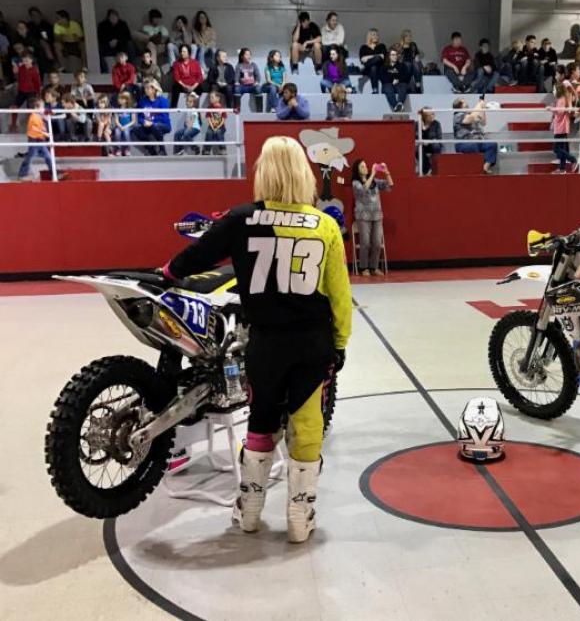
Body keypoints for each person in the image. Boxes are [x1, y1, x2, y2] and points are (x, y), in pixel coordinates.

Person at [163, 135, 352, 544]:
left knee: (261, 421)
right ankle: (301, 517)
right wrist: (340, 344)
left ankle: (249, 512)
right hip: (312, 342)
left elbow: (192, 259)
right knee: (307, 424)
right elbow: (339, 294)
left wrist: (168, 270)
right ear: (303, 173)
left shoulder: (240, 218)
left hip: (264, 344)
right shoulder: (325, 225)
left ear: (263, 171)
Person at [352, 159, 393, 276]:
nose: (365, 168)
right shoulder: (356, 183)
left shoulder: (375, 181)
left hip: (377, 216)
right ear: (357, 170)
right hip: (363, 217)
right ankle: (364, 268)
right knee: (365, 242)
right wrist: (373, 174)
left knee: (376, 242)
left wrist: (387, 172)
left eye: (366, 166)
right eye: (362, 167)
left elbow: (389, 187)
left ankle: (374, 267)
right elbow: (363, 190)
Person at [453, 97, 497, 173]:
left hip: (479, 141)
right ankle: (477, 168)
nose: (467, 103)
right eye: (464, 102)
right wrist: (479, 104)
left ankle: (485, 168)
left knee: (492, 144)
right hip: (464, 143)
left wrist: (482, 109)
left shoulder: (472, 113)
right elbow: (469, 119)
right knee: (473, 145)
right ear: (459, 105)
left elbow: (483, 122)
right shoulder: (458, 115)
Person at [17, 97, 54, 180]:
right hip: (34, 140)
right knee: (30, 157)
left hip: (40, 140)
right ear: (36, 108)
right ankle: (22, 175)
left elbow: (48, 115)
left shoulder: (39, 115)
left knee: (48, 157)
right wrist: (45, 133)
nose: (44, 108)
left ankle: (54, 174)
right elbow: (34, 128)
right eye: (42, 106)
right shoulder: (33, 117)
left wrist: (49, 112)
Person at [132, 79, 171, 156]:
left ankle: (162, 149)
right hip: (147, 124)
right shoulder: (142, 101)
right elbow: (140, 116)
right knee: (135, 128)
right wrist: (144, 122)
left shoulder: (163, 100)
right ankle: (151, 148)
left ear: (154, 89)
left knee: (155, 126)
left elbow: (164, 117)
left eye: (148, 88)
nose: (145, 90)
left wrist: (151, 122)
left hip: (162, 124)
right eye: (145, 88)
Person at [551, 81, 579, 173]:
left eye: (554, 89)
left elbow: (560, 112)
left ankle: (573, 160)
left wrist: (551, 109)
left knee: (556, 149)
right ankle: (562, 168)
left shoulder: (562, 99)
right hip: (560, 127)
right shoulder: (560, 99)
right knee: (562, 148)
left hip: (561, 128)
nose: (553, 91)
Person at [12, 53, 41, 130]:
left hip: (31, 92)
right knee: (14, 107)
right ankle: (13, 124)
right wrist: (15, 72)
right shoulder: (21, 68)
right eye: (24, 60)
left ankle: (32, 125)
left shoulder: (35, 70)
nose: (25, 62)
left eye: (27, 60)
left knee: (31, 109)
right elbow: (17, 78)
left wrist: (38, 93)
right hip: (21, 91)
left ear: (31, 60)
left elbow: (37, 83)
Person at [359, 29, 386, 94]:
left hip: (380, 69)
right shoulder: (364, 47)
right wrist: (375, 56)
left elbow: (382, 57)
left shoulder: (381, 46)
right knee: (374, 64)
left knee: (374, 66)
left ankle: (375, 89)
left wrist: (369, 57)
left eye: (377, 35)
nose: (376, 36)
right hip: (368, 70)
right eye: (374, 35)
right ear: (369, 36)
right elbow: (362, 59)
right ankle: (375, 89)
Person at [416, 107, 443, 175]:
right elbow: (416, 136)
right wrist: (422, 127)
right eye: (430, 114)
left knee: (436, 146)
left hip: (433, 144)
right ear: (425, 116)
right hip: (422, 145)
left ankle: (436, 167)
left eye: (433, 114)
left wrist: (430, 141)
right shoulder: (417, 124)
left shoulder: (436, 123)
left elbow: (439, 137)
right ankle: (426, 168)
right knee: (417, 150)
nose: (433, 116)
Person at [113, 90, 135, 156]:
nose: (119, 100)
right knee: (117, 132)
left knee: (126, 132)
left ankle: (127, 149)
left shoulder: (131, 109)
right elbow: (116, 120)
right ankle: (118, 149)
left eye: (121, 98)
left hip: (128, 126)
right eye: (119, 98)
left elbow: (133, 121)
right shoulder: (117, 109)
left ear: (126, 100)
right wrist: (120, 126)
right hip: (119, 126)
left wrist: (125, 126)